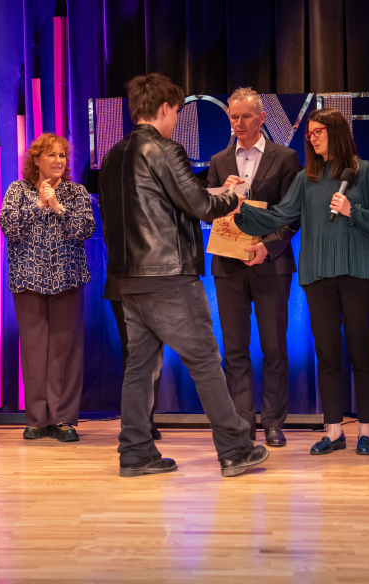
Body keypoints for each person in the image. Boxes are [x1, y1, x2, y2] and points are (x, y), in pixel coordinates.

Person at [99, 72, 270, 478]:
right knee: (206, 362)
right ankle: (235, 448)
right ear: (164, 108)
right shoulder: (164, 150)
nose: (176, 119)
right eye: (176, 111)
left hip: (128, 279)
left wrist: (216, 193)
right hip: (169, 276)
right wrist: (233, 196)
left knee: (139, 368)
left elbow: (163, 202)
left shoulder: (113, 155)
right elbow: (199, 206)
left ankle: (136, 452)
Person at [235, 108, 369, 456]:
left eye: (318, 131)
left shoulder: (364, 172)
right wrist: (241, 209)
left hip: (360, 274)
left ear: (337, 132)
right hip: (318, 276)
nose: (312, 137)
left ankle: (366, 431)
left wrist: (353, 211)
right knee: (327, 354)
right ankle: (333, 431)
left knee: (361, 351)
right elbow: (280, 215)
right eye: (309, 133)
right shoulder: (306, 178)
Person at [206, 87, 301, 447]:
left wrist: (268, 246)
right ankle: (242, 424)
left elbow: (293, 213)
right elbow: (208, 212)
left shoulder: (285, 157)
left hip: (270, 263)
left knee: (274, 348)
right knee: (234, 350)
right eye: (234, 116)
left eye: (246, 116)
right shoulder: (219, 161)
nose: (239, 123)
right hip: (228, 264)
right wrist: (221, 195)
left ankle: (274, 423)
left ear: (262, 118)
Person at [0, 133, 95, 442]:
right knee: (34, 350)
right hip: (28, 280)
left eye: (62, 155)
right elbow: (9, 228)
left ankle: (62, 418)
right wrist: (39, 204)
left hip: (67, 278)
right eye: (51, 155)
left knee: (65, 352)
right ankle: (37, 419)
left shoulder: (75, 192)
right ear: (36, 160)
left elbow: (85, 229)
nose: (58, 160)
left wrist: (57, 206)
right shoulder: (18, 190)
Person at [104, 275, 163, 440]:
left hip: (156, 281)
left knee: (154, 350)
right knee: (131, 350)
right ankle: (135, 420)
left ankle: (148, 416)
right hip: (122, 281)